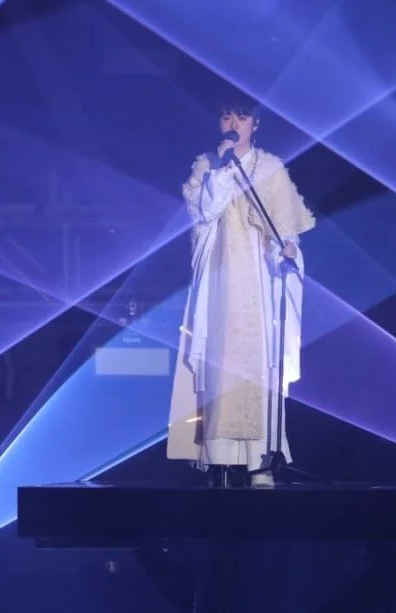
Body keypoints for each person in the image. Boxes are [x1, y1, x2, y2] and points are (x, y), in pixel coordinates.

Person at [166, 92, 316, 487]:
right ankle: (219, 461)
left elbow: (285, 228)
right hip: (220, 284)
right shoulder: (207, 166)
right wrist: (223, 165)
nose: (233, 125)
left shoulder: (270, 169)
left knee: (258, 365)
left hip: (258, 283)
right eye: (227, 118)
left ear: (255, 124)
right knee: (220, 363)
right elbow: (204, 212)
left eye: (242, 118)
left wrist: (287, 248)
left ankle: (259, 463)